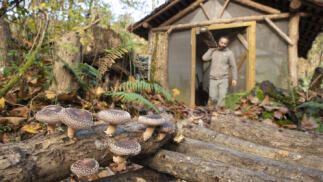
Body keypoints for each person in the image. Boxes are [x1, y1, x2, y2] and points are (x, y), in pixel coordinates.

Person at [202, 36, 237, 107]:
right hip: (213, 79)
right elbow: (204, 58)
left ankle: (218, 112)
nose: (223, 44)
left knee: (222, 97)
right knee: (213, 97)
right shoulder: (214, 51)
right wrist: (211, 50)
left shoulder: (229, 53)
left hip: (223, 79)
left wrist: (234, 78)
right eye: (222, 43)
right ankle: (216, 109)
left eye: (225, 43)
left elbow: (233, 66)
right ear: (219, 42)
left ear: (227, 44)